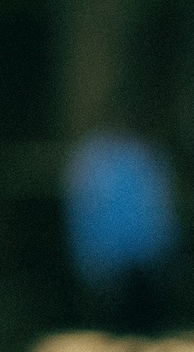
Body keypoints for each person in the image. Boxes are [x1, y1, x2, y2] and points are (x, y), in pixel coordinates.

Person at [62, 120, 179, 336]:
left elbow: (159, 211)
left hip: (142, 266)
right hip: (110, 266)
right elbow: (84, 212)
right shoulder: (92, 156)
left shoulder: (144, 154)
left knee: (143, 332)